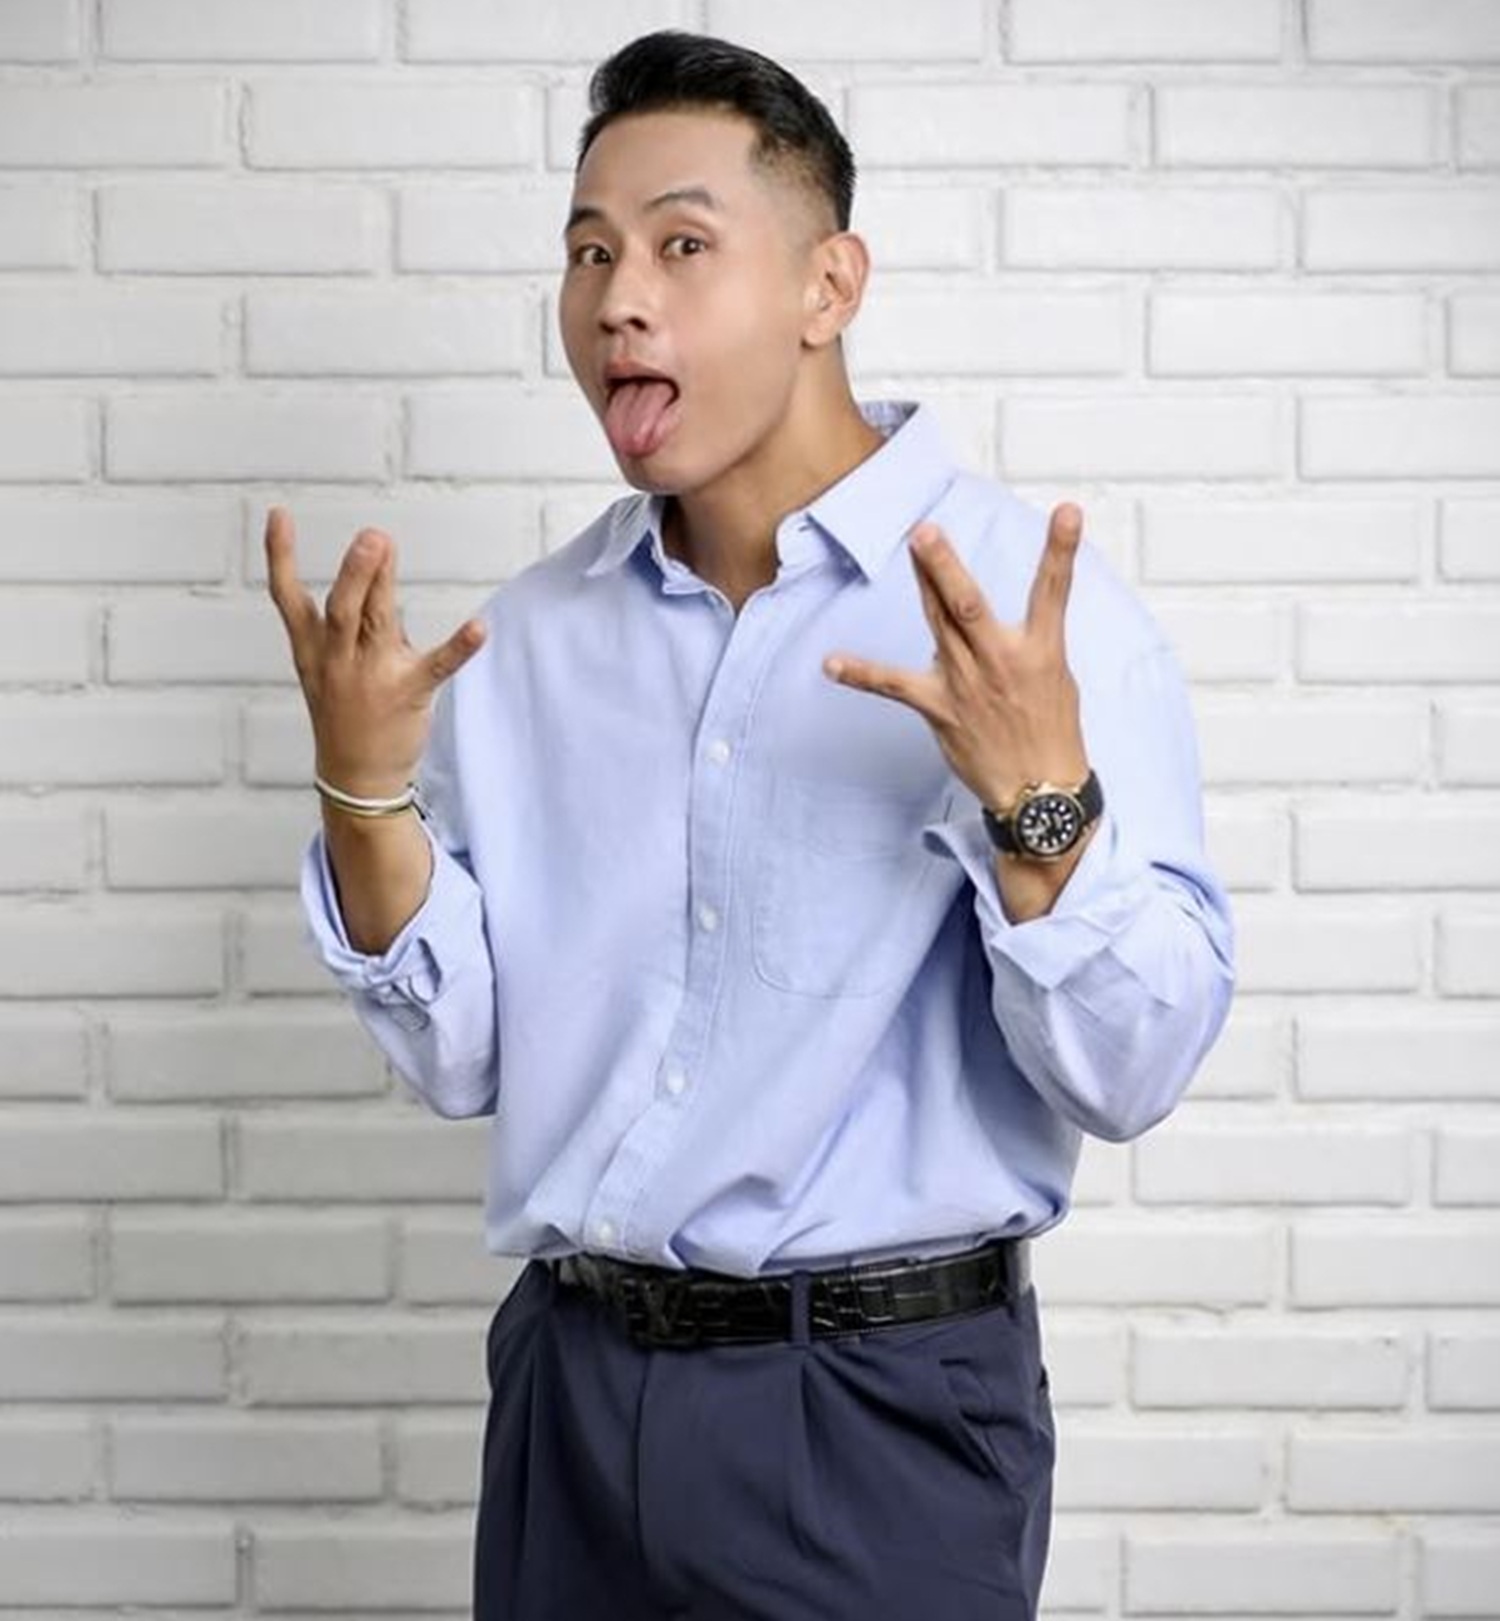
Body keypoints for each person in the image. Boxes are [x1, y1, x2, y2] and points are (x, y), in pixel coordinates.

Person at [266, 29, 1235, 1621]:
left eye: (682, 245)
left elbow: (1132, 1070)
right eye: (590, 252)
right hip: (571, 1399)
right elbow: (465, 1060)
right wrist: (364, 787)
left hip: (875, 1420)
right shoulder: (532, 639)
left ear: (827, 286)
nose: (616, 300)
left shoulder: (1024, 617)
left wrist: (1038, 808)